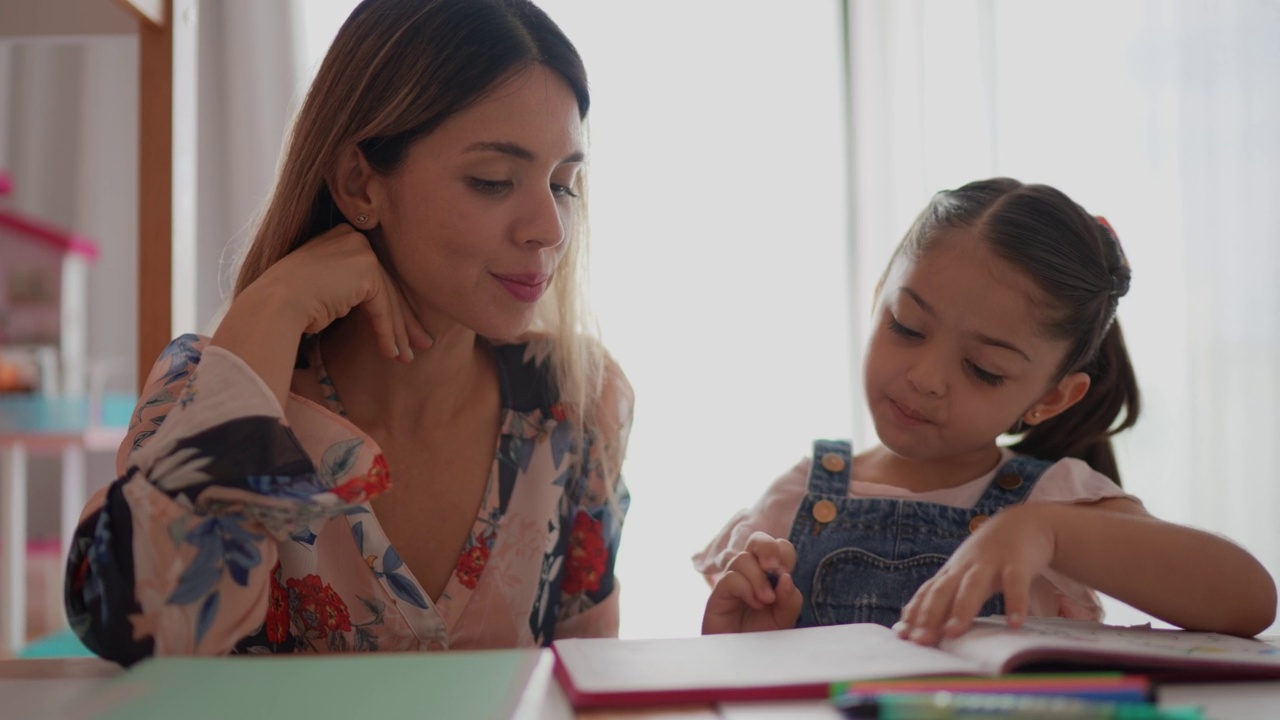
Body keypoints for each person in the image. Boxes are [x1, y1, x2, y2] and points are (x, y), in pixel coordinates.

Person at [65, 0, 633, 665]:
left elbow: (590, 689)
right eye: (494, 181)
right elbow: (137, 629)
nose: (549, 228)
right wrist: (272, 304)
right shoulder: (211, 393)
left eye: (564, 184)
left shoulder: (574, 404)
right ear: (361, 184)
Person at [695, 178, 1276, 645]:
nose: (924, 377)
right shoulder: (794, 500)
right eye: (907, 326)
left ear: (1050, 398)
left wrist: (1043, 531)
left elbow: (1248, 598)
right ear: (878, 298)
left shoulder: (1055, 500)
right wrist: (743, 642)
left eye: (983, 369)